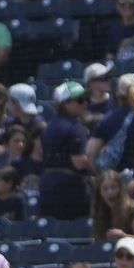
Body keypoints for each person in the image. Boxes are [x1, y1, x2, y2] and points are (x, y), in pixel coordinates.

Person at [39, 81, 92, 222]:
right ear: (65, 104)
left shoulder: (49, 125)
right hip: (70, 189)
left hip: (47, 185)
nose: (85, 103)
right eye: (80, 100)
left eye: (86, 99)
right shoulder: (74, 127)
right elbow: (79, 163)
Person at [86, 73, 134, 175]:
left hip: (116, 183)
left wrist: (100, 178)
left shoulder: (108, 119)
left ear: (118, 94)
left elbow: (90, 154)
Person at [90, 169, 134, 242]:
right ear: (100, 192)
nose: (110, 192)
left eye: (114, 187)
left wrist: (124, 236)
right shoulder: (99, 211)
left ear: (121, 189)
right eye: (105, 189)